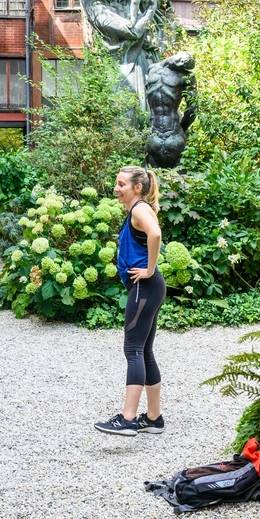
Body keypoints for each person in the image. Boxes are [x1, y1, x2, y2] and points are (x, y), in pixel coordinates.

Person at [94, 166, 167, 437]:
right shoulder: (136, 209)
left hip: (145, 285)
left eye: (121, 184)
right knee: (144, 350)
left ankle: (127, 418)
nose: (116, 188)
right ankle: (153, 418)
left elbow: (155, 234)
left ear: (137, 187)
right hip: (149, 287)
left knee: (133, 349)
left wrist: (148, 269)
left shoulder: (139, 209)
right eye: (116, 183)